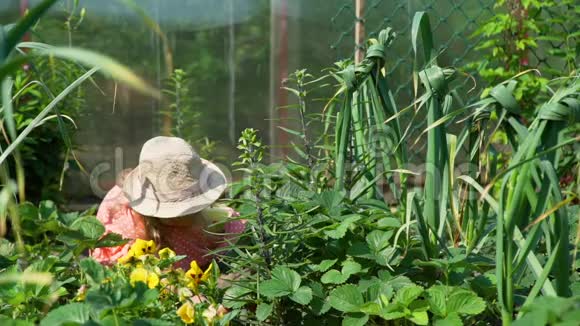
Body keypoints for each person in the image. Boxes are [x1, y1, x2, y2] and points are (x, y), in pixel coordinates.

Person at [91, 136, 245, 270]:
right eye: (177, 211)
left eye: (186, 209)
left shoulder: (205, 226)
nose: (177, 216)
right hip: (147, 239)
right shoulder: (127, 220)